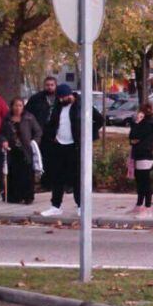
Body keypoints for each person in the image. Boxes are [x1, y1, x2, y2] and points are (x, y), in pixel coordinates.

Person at [40, 84, 103, 217]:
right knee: (57, 177)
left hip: (75, 146)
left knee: (77, 178)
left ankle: (81, 206)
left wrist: (88, 134)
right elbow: (51, 123)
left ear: (70, 95)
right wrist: (53, 136)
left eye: (64, 98)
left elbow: (99, 119)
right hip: (59, 145)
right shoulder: (57, 106)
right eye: (60, 98)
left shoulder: (82, 105)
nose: (62, 100)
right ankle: (55, 206)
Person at [0, 98, 42, 204]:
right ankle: (14, 196)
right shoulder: (7, 119)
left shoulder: (29, 117)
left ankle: (27, 196)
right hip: (12, 150)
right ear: (12, 106)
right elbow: (1, 133)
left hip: (26, 150)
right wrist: (3, 141)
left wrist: (34, 142)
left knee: (26, 174)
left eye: (20, 105)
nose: (18, 108)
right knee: (13, 173)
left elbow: (38, 131)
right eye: (16, 106)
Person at [129, 102, 153, 218]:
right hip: (142, 154)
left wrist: (136, 124)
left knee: (144, 182)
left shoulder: (146, 124)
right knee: (140, 181)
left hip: (144, 155)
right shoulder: (150, 123)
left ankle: (147, 208)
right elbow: (132, 139)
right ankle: (139, 205)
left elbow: (133, 137)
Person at [25, 76, 58, 190]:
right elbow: (27, 113)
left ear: (55, 85)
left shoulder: (60, 98)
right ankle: (45, 183)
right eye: (47, 85)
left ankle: (57, 183)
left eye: (52, 85)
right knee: (43, 157)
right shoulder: (36, 99)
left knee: (56, 159)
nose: (49, 87)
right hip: (41, 133)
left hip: (56, 133)